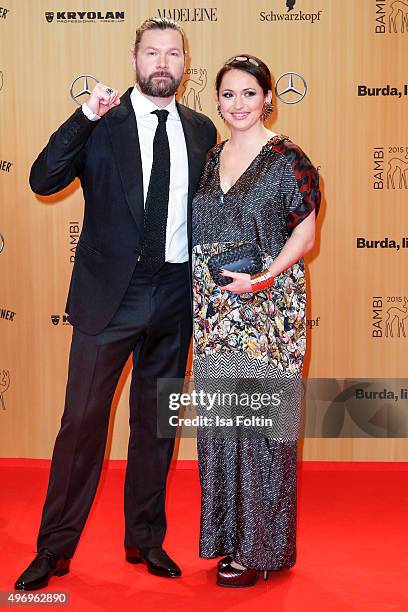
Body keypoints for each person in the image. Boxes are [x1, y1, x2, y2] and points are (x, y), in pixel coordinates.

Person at [15, 17, 216, 591]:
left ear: (185, 62)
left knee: (156, 426)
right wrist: (83, 117)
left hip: (176, 296)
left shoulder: (202, 129)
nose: (162, 63)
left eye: (172, 54)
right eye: (151, 52)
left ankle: (145, 538)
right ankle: (54, 548)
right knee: (81, 424)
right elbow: (43, 178)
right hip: (110, 298)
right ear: (134, 57)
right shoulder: (103, 122)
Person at [191, 55, 320, 587]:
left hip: (267, 310)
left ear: (268, 97)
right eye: (228, 94)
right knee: (223, 427)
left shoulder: (289, 159)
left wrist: (264, 277)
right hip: (215, 311)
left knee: (265, 430)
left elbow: (305, 235)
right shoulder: (210, 158)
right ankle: (227, 539)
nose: (238, 104)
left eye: (249, 93)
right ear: (217, 101)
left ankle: (262, 549)